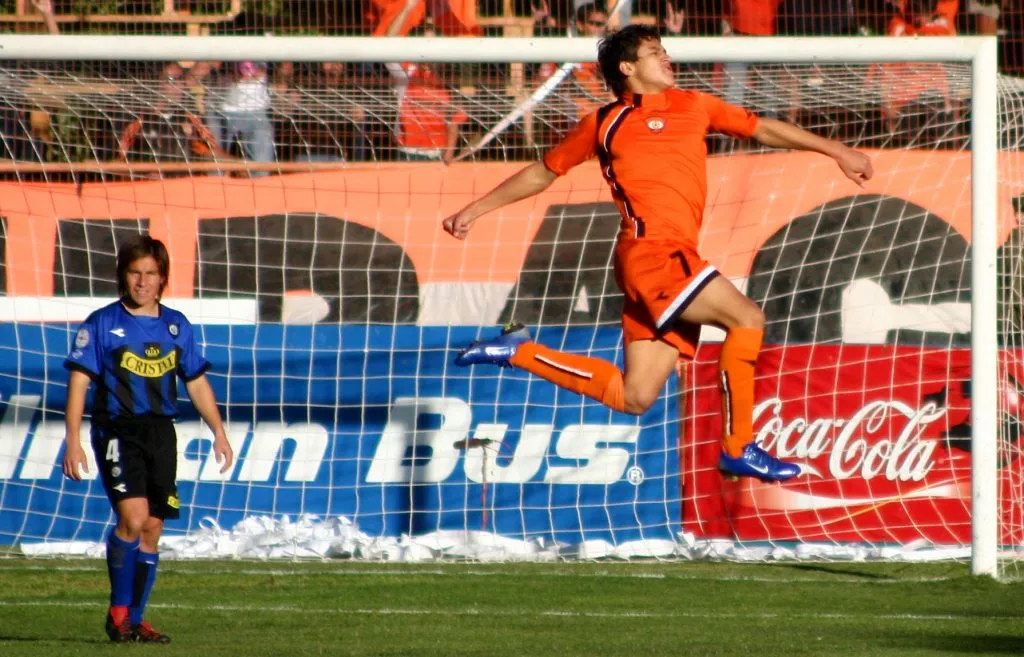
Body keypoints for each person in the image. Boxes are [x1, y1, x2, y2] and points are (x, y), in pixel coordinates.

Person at [443, 24, 873, 482]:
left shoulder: (694, 105)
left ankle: (519, 352)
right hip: (654, 254)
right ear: (627, 68)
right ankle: (738, 445)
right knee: (747, 319)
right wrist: (476, 209)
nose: (667, 59)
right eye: (655, 52)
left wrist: (836, 149)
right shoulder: (603, 122)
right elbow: (543, 173)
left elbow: (761, 127)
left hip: (661, 257)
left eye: (665, 51)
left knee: (636, 397)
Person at [61, 235, 233, 643]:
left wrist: (219, 431)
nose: (142, 282)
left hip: (161, 433)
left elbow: (196, 382)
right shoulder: (102, 323)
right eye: (135, 273)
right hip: (118, 430)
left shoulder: (177, 325)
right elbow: (78, 382)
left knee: (153, 528)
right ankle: (118, 613)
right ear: (124, 276)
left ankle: (136, 619)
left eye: (150, 274)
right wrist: (72, 439)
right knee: (133, 519)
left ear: (162, 280)